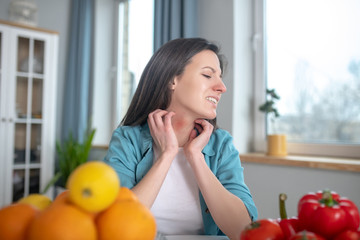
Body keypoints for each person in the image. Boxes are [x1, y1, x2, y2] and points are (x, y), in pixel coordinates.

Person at [103, 38, 258, 239]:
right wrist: (167, 155)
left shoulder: (222, 145)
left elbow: (243, 230)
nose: (222, 87)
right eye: (207, 75)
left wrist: (195, 157)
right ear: (172, 80)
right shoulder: (127, 140)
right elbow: (117, 226)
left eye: (220, 77)